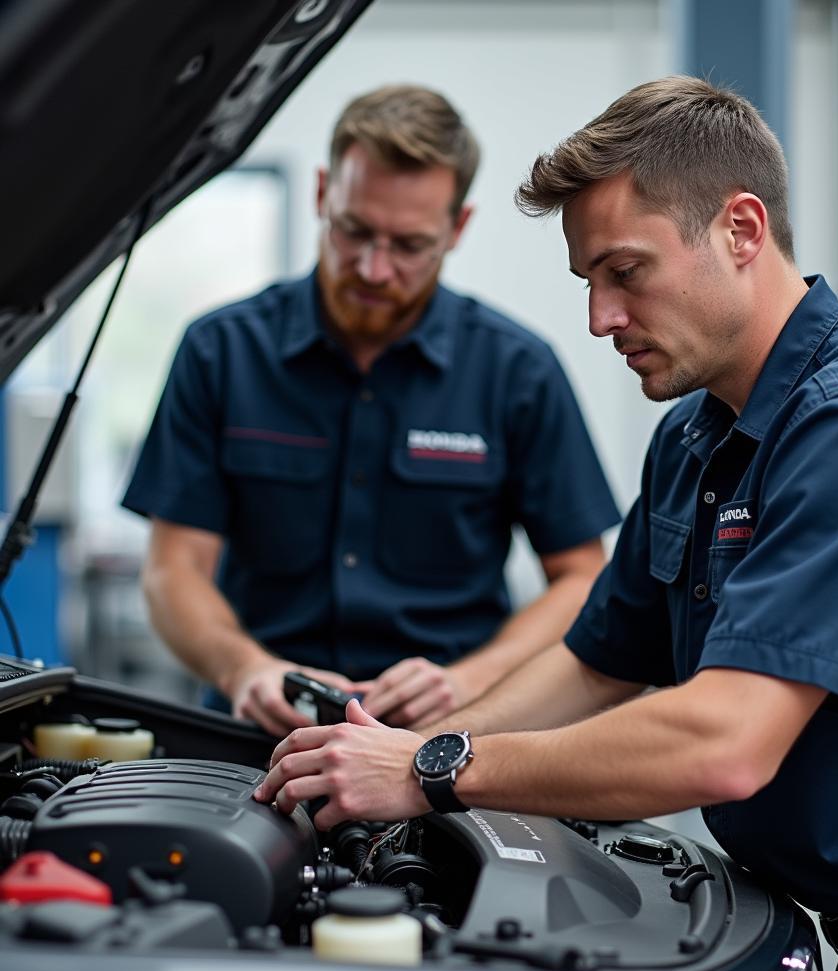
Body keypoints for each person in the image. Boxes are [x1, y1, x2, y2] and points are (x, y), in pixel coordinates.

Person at [254, 75, 838, 971]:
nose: (600, 319)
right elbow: (595, 663)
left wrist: (434, 771)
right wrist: (401, 749)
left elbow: (726, 742)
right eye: (589, 283)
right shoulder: (698, 437)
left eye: (626, 272)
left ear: (741, 230)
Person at [122, 84, 619, 737]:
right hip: (255, 735)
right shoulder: (221, 352)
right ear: (323, 192)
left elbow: (581, 577)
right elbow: (172, 570)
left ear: (457, 228)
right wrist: (243, 667)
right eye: (354, 230)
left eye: (409, 245)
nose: (374, 268)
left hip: (444, 742)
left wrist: (471, 680)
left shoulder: (517, 372)